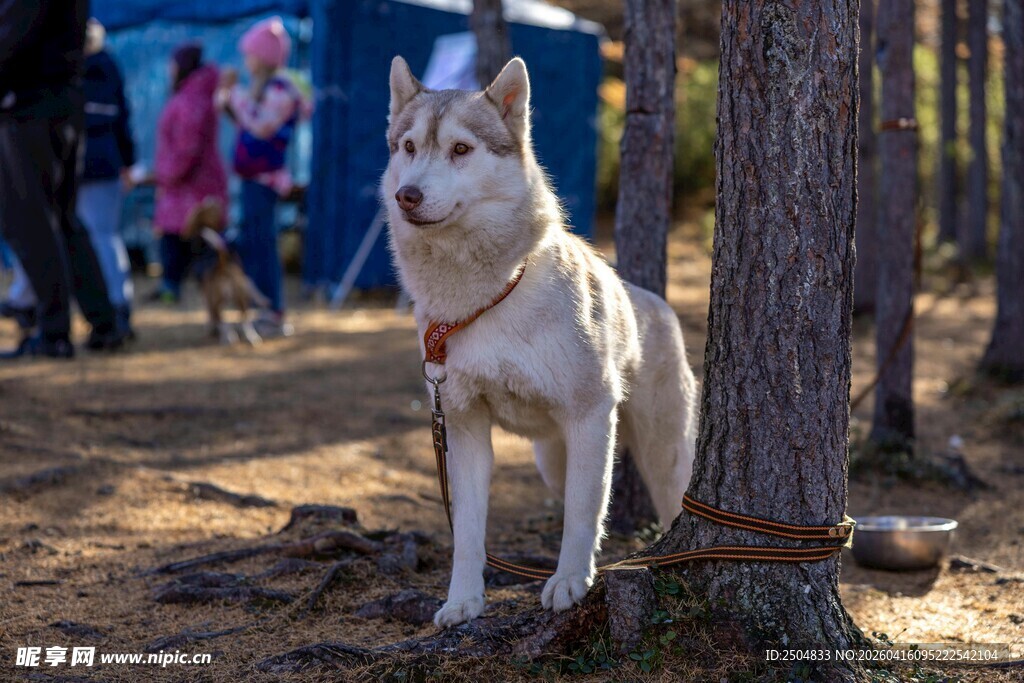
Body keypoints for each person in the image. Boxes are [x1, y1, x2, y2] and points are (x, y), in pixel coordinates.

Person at [0, 0, 123, 359]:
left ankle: (54, 333)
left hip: (30, 107)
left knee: (30, 220)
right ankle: (104, 323)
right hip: (63, 101)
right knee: (63, 219)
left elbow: (11, 38)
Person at [218, 17, 308, 338]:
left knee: (264, 245)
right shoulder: (260, 89)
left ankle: (274, 310)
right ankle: (261, 307)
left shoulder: (281, 89)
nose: (246, 61)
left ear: (265, 57)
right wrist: (230, 101)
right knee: (253, 244)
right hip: (251, 179)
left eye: (250, 54)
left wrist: (233, 97)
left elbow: (261, 125)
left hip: (267, 181)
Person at [152, 43, 227, 302]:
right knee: (191, 241)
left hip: (189, 187)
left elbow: (187, 147)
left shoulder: (190, 100)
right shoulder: (197, 95)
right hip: (193, 185)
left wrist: (168, 175)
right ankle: (176, 287)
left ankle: (175, 288)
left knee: (190, 242)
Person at [79, 18, 138, 338]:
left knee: (100, 237)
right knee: (104, 236)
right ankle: (116, 307)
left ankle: (114, 309)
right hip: (104, 164)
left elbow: (120, 120)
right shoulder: (109, 66)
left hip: (87, 165)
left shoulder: (74, 71)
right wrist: (128, 162)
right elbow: (123, 120)